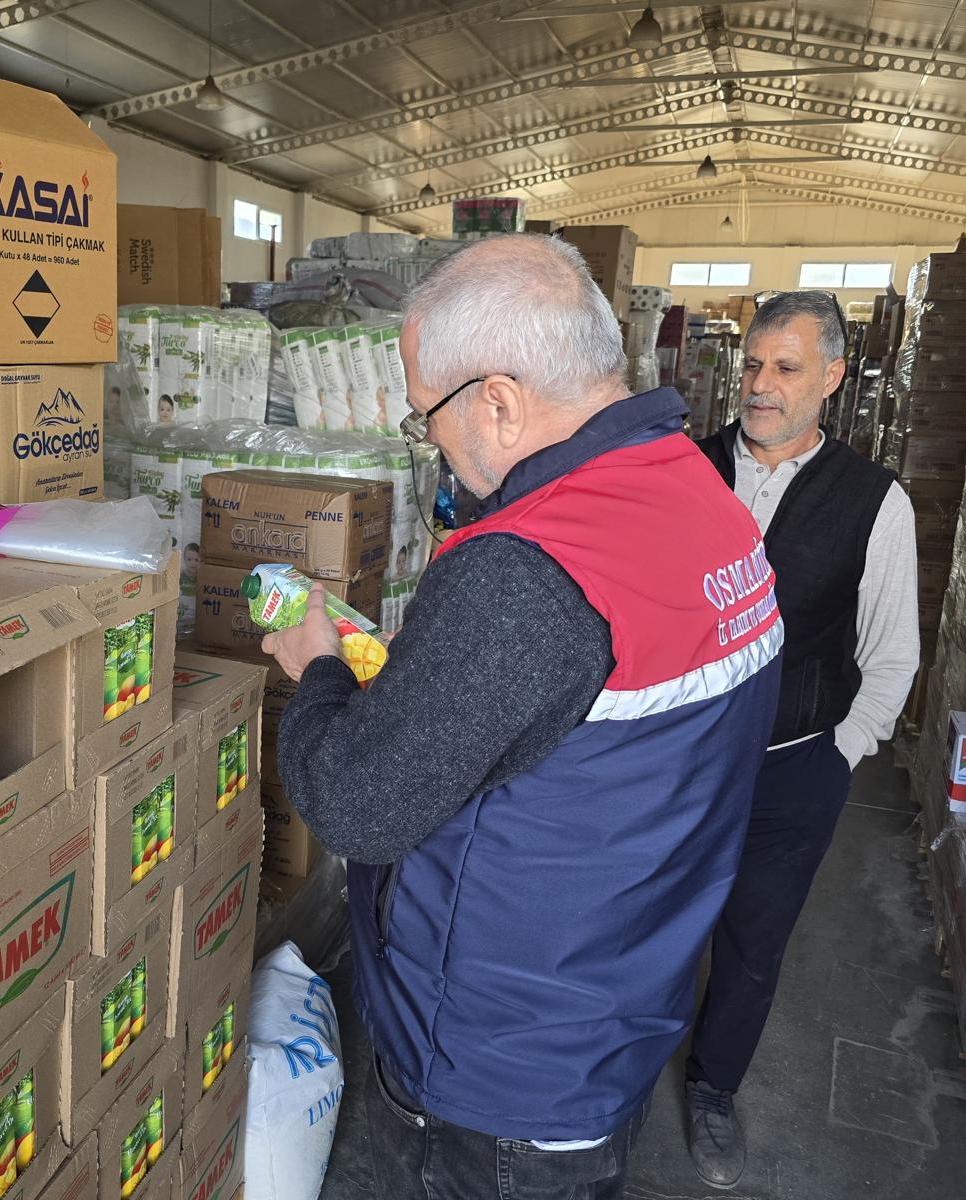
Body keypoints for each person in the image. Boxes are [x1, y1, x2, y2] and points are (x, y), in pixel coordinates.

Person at [260, 234, 785, 1200]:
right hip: (620, 1003)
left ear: (497, 402)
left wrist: (320, 667)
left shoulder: (525, 570)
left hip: (499, 1074)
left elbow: (357, 806)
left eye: (429, 421)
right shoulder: (697, 495)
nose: (437, 450)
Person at [686, 291, 918, 1189]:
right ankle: (615, 1078)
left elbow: (893, 652)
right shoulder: (685, 470)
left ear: (831, 377)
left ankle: (713, 1089)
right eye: (751, 365)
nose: (760, 386)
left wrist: (840, 753)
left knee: (753, 940)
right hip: (679, 759)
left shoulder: (872, 502)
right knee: (649, 921)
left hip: (793, 768)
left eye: (786, 368)